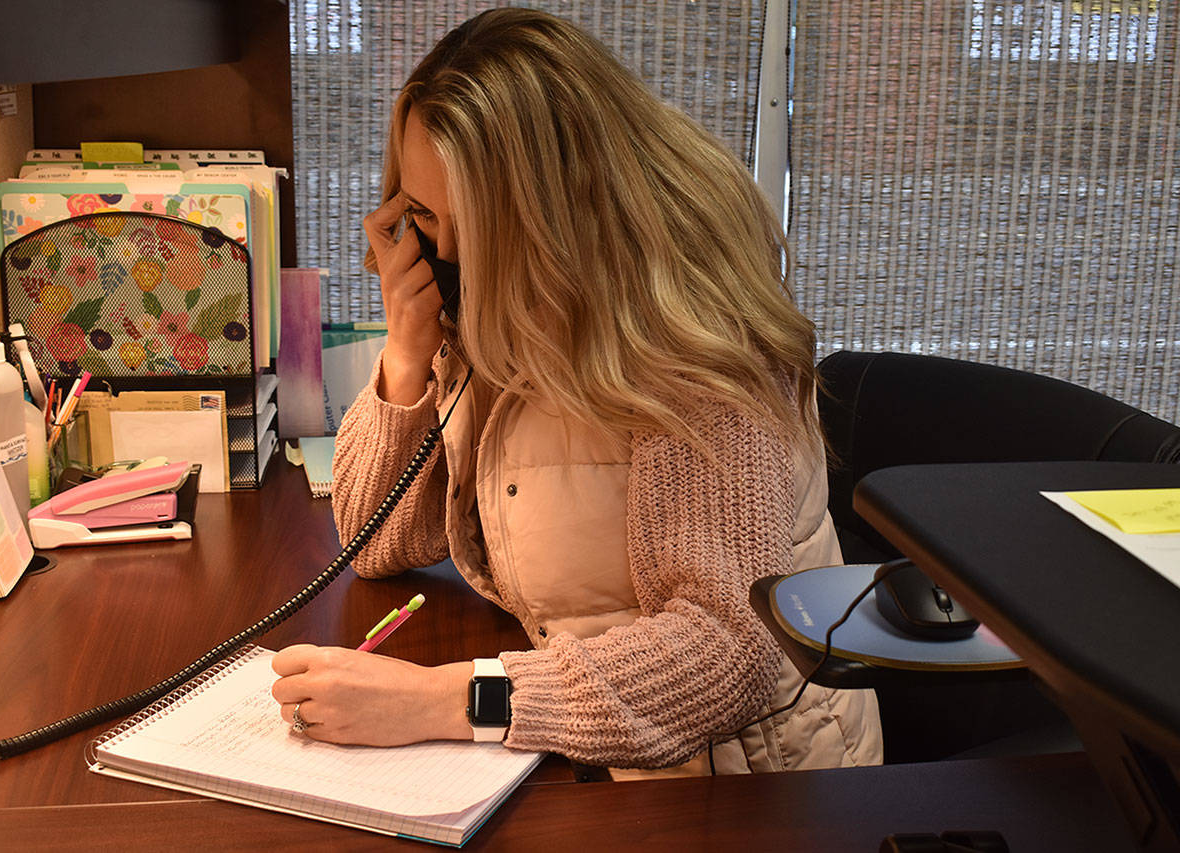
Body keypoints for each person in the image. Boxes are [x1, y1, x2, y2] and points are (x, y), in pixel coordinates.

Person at [271, 7, 882, 777]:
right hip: (596, 747)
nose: (442, 254)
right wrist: (406, 350)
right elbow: (374, 544)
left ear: (554, 219)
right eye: (422, 214)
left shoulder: (689, 338)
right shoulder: (495, 312)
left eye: (470, 227)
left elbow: (730, 649)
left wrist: (445, 701)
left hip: (743, 788)